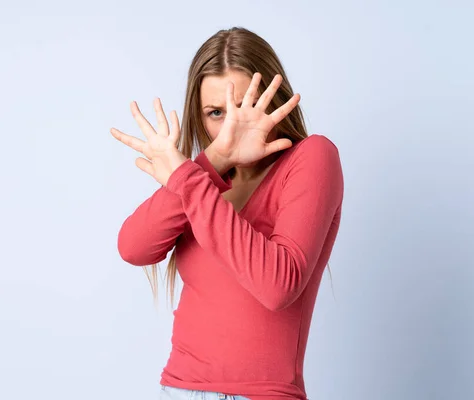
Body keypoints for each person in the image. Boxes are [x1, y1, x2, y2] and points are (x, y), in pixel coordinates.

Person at [111, 27, 344, 400]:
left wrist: (187, 178)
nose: (231, 127)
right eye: (216, 113)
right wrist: (212, 162)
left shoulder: (313, 157)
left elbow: (277, 285)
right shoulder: (201, 181)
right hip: (179, 387)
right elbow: (133, 247)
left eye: (243, 108)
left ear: (274, 99)